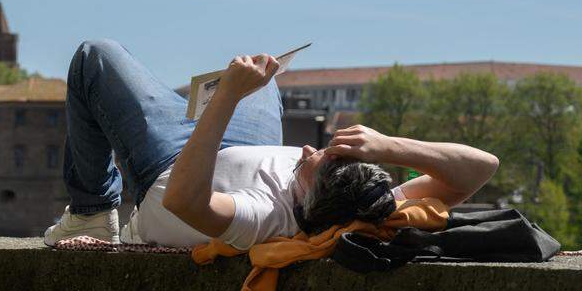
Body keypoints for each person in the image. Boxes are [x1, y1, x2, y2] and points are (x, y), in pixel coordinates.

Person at [43, 39, 500, 249]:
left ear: (307, 195)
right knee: (265, 73)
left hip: (170, 162)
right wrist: (389, 146)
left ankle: (92, 214)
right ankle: (169, 101)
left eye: (312, 163)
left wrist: (226, 97)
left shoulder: (263, 216)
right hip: (238, 143)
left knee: (94, 59)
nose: (305, 150)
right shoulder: (362, 202)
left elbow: (185, 198)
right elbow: (482, 166)